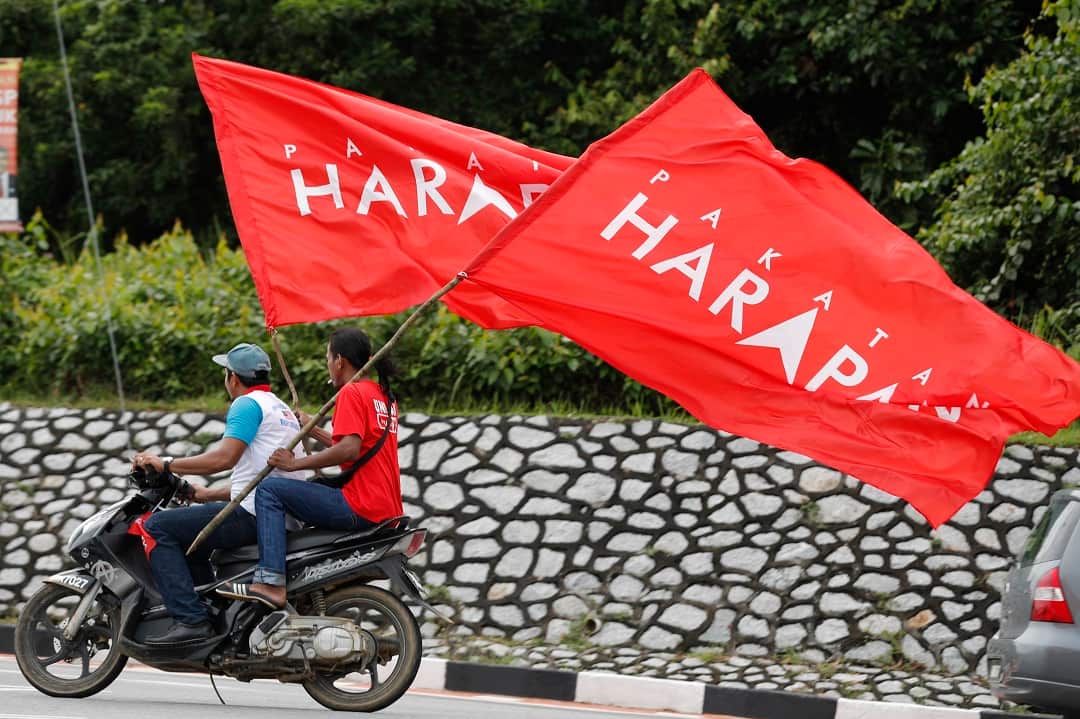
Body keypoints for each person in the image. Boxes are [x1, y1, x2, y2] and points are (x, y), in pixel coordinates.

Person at [131, 342, 306, 644]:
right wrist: (207, 495)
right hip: (279, 515)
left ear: (233, 378)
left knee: (156, 528)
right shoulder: (282, 409)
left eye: (226, 374)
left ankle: (191, 620)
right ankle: (215, 614)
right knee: (192, 543)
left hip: (253, 515)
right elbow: (258, 477)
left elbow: (224, 459)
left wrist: (166, 464)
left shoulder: (246, 405)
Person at [215, 327, 401, 610]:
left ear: (339, 361)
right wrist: (313, 428)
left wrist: (294, 464)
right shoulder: (382, 395)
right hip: (387, 505)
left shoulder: (351, 392)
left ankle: (271, 580)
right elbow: (360, 446)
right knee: (303, 490)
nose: (328, 364)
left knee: (270, 490)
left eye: (328, 358)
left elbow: (349, 449)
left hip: (361, 504)